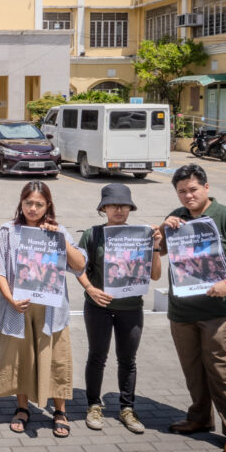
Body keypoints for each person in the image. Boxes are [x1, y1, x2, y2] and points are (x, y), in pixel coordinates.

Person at [159, 164, 226, 452]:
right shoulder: (177, 217)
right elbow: (162, 250)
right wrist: (163, 231)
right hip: (182, 310)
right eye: (182, 192)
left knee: (220, 371)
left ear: (206, 187)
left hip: (220, 312)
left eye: (193, 189)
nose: (188, 196)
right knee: (193, 369)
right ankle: (200, 417)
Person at [0, 181, 86, 439]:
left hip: (51, 310)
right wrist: (10, 299)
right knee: (21, 359)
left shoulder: (58, 232)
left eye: (39, 204)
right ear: (20, 204)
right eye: (28, 203)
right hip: (18, 308)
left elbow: (79, 265)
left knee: (56, 358)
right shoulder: (7, 231)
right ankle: (22, 408)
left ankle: (60, 412)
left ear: (48, 206)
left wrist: (60, 240)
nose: (33, 208)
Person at [77, 183, 163, 436]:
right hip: (98, 306)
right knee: (97, 356)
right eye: (113, 204)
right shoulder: (92, 235)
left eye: (123, 205)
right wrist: (90, 289)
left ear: (130, 208)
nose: (118, 209)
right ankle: (93, 404)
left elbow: (155, 275)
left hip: (131, 307)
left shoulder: (142, 234)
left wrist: (156, 246)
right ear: (103, 208)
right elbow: (78, 268)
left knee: (128, 360)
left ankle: (127, 408)